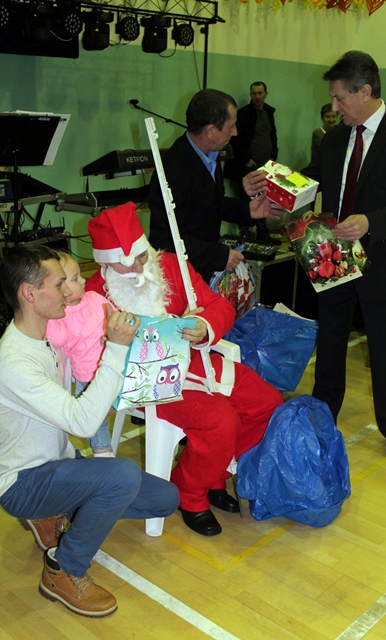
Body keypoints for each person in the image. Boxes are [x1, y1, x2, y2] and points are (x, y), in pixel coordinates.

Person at [0, 243, 179, 617]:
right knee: (121, 476)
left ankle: (50, 511)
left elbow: (89, 393)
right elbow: (84, 421)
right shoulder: (12, 363)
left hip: (59, 465)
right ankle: (63, 570)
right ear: (29, 294)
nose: (70, 291)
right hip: (22, 482)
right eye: (59, 285)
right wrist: (115, 349)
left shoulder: (50, 337)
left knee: (165, 499)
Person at [86, 202, 284, 537]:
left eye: (142, 256)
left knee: (267, 402)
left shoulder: (171, 265)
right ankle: (189, 493)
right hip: (146, 381)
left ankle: (214, 474)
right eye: (126, 263)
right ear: (104, 263)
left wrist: (205, 325)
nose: (138, 268)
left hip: (197, 362)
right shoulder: (94, 296)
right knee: (221, 421)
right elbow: (92, 363)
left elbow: (218, 304)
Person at [244, 51, 386, 439]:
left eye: (340, 98)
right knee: (331, 338)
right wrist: (271, 193)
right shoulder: (335, 139)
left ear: (365, 91)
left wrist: (371, 221)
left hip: (380, 258)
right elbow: (308, 182)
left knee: (381, 346)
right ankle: (323, 418)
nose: (334, 107)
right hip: (333, 255)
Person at [148, 88, 284, 284]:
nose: (235, 132)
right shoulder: (174, 169)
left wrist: (247, 210)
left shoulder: (210, 154)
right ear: (210, 131)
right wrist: (219, 255)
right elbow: (166, 239)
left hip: (202, 271)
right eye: (231, 126)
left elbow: (209, 203)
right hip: (181, 278)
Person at [46, 251, 115, 457]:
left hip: (115, 366)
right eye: (76, 278)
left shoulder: (95, 298)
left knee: (94, 412)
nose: (84, 280)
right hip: (88, 375)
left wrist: (112, 332)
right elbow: (57, 339)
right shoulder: (60, 314)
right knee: (93, 417)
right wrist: (50, 314)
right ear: (60, 289)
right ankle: (103, 453)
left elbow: (114, 315)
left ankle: (103, 410)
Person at [224, 81, 281, 245]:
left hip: (265, 165)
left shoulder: (268, 112)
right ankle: (246, 234)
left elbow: (272, 136)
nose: (257, 96)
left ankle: (263, 232)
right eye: (254, 93)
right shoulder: (243, 114)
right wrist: (246, 159)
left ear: (266, 94)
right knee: (246, 200)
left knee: (265, 197)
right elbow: (236, 139)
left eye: (260, 93)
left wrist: (273, 156)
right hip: (248, 166)